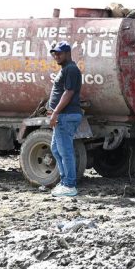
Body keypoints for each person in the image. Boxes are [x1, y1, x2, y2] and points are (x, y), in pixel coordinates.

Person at [48, 41, 83, 197]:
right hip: (64, 115)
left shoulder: (71, 69)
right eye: (54, 53)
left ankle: (70, 185)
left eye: (59, 53)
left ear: (68, 53)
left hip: (66, 116)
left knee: (65, 151)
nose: (56, 56)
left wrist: (55, 112)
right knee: (56, 149)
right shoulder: (66, 69)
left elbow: (68, 93)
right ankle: (65, 182)